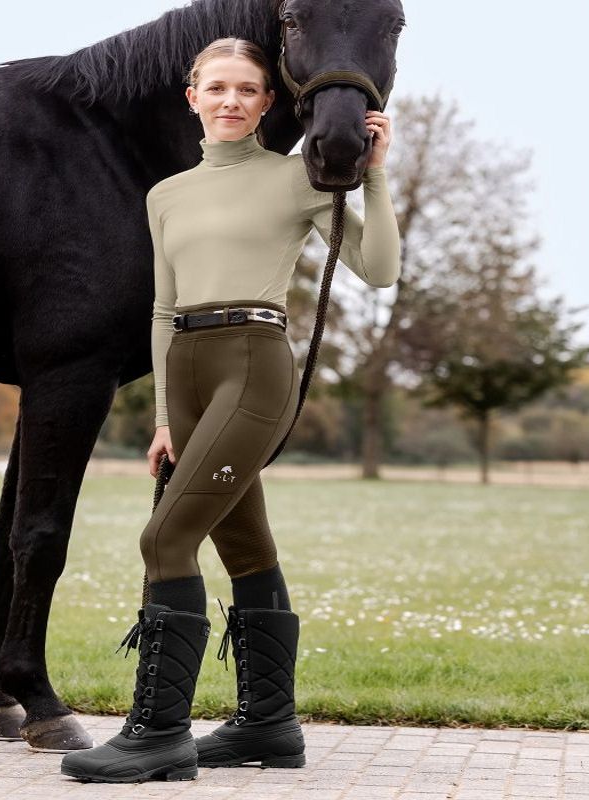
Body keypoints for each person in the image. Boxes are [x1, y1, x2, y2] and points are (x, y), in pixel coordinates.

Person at [61, 36, 400, 783]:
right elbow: (160, 308)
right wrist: (159, 419)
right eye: (217, 88)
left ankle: (158, 733)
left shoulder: (297, 179)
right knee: (244, 548)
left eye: (248, 89)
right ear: (193, 97)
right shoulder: (166, 195)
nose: (231, 101)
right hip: (184, 365)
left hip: (253, 362)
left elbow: (378, 271)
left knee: (164, 540)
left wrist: (375, 177)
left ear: (268, 102)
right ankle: (270, 727)